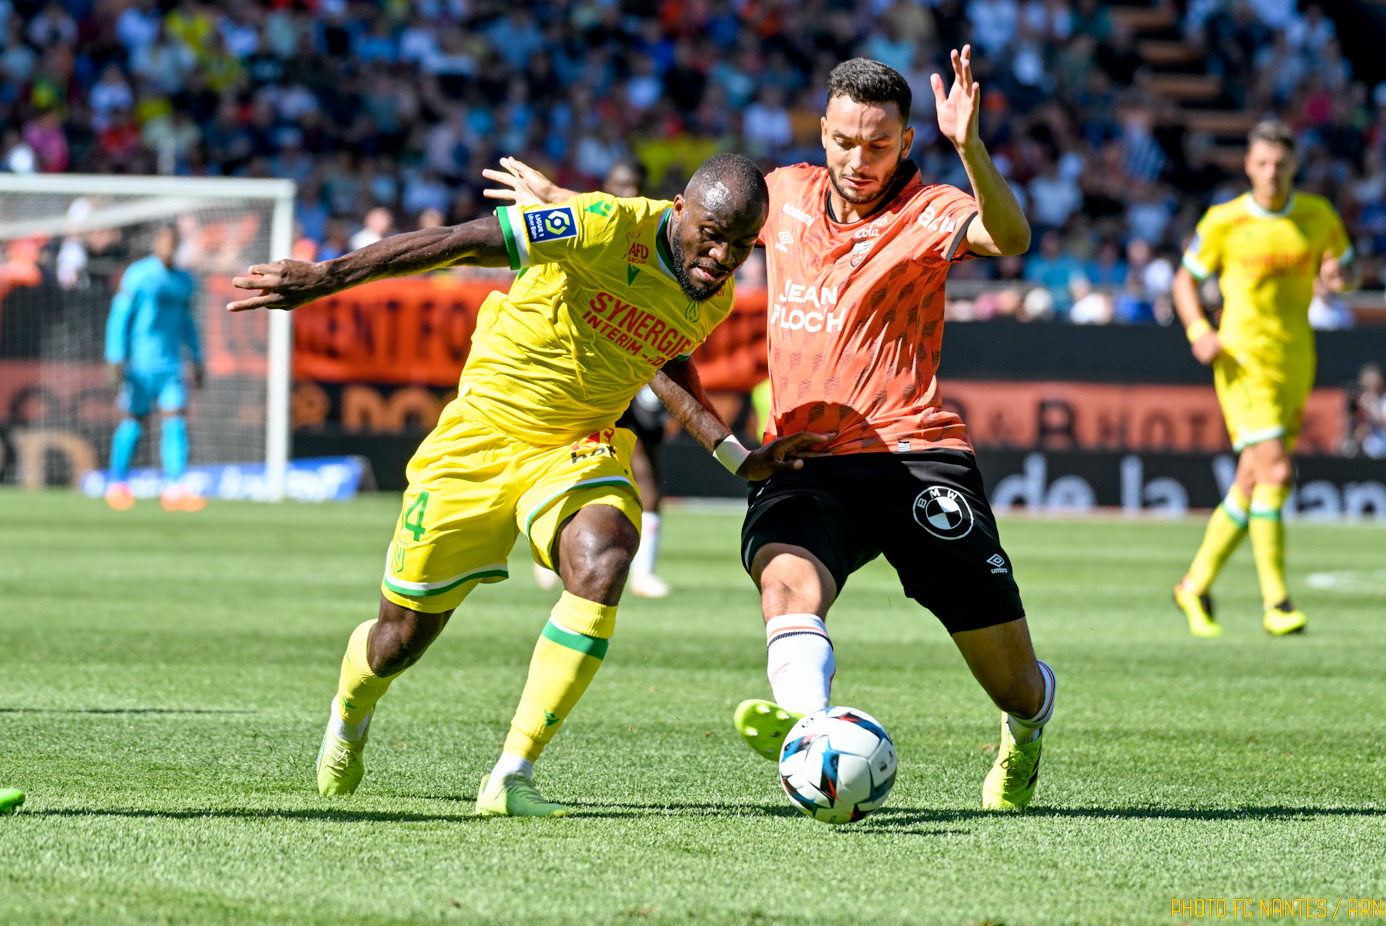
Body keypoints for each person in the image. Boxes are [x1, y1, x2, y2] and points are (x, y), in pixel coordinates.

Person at [484, 50, 1054, 811]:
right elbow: (683, 219)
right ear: (823, 131)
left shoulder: (931, 209)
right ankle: (814, 728)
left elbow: (1009, 238)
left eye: (879, 144)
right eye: (845, 141)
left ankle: (1025, 732)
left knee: (1013, 683)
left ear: (908, 142)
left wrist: (972, 149)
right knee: (786, 584)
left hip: (915, 456)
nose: (859, 159)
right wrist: (568, 200)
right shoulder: (782, 196)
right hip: (806, 458)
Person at [230, 154, 821, 817]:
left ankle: (512, 775)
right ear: (679, 209)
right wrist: (328, 276)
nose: (722, 255)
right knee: (397, 643)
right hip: (480, 437)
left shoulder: (708, 293)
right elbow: (459, 242)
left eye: (741, 244)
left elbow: (663, 355)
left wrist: (736, 455)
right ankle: (351, 707)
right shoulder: (602, 224)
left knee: (605, 555)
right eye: (711, 233)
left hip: (576, 445)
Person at [1172, 119, 1352, 638]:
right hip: (1243, 361)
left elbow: (1351, 267)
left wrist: (1343, 277)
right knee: (1276, 474)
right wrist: (1197, 328)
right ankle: (1277, 602)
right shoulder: (1225, 220)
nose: (1272, 172)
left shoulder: (1318, 216)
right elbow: (1186, 279)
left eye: (1280, 163)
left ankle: (1194, 585)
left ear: (1294, 165)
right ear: (1249, 166)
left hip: (1296, 361)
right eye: (1262, 164)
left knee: (1251, 483)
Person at [532, 158, 675, 598]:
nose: (627, 193)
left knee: (647, 470)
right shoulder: (590, 226)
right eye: (619, 185)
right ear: (604, 189)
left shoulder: (660, 238)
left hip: (637, 369)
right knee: (557, 458)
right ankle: (548, 548)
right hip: (586, 373)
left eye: (634, 185)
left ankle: (645, 571)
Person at [103, 224, 206, 512]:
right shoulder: (138, 275)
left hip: (172, 364)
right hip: (139, 363)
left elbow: (188, 323)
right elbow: (120, 316)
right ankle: (117, 484)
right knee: (134, 423)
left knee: (176, 422)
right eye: (164, 242)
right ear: (155, 244)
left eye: (173, 243)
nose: (168, 248)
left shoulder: (185, 280)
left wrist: (197, 358)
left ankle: (174, 488)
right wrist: (115, 357)